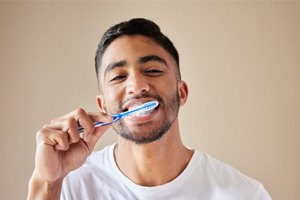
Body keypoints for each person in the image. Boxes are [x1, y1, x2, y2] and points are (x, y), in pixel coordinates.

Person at [27, 18, 271, 200]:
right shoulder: (70, 186)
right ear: (103, 106)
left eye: (153, 71)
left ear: (182, 92)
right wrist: (48, 182)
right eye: (119, 76)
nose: (137, 86)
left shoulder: (245, 194)